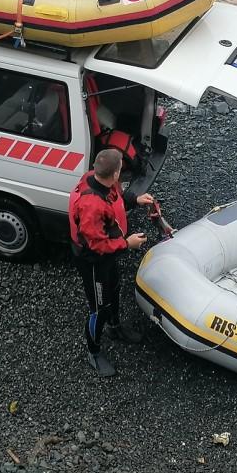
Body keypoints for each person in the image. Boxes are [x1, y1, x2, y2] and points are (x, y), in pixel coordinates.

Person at [68, 148, 154, 377]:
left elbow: (116, 199)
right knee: (98, 308)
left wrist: (135, 200)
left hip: (107, 256)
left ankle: (115, 328)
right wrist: (127, 244)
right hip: (94, 261)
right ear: (115, 173)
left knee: (114, 288)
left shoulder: (96, 178)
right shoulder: (91, 206)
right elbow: (96, 245)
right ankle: (94, 351)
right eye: (120, 171)